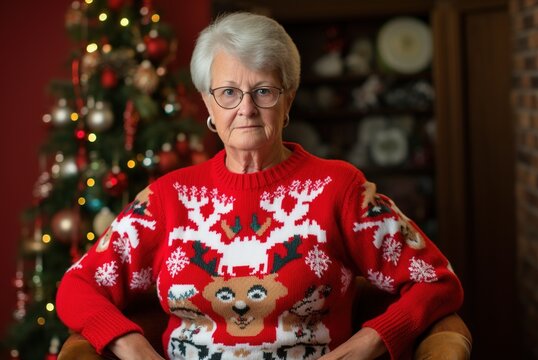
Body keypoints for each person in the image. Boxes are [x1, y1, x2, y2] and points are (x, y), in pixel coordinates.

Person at [56, 12, 463, 360]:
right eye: (229, 93)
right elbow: (77, 285)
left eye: (263, 91)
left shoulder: (339, 188)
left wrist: (368, 342)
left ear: (288, 98)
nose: (246, 109)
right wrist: (132, 345)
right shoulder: (168, 197)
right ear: (208, 103)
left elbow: (436, 281)